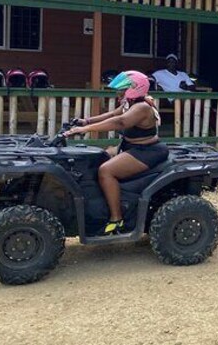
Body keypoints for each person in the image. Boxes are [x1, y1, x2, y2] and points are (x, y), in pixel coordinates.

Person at [65, 71, 169, 235]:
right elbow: (113, 114)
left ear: (135, 88)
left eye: (123, 89)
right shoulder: (129, 103)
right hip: (129, 146)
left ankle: (116, 218)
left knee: (106, 171)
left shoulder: (142, 107)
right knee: (100, 156)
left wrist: (85, 129)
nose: (120, 93)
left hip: (147, 151)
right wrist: (86, 121)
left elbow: (120, 121)